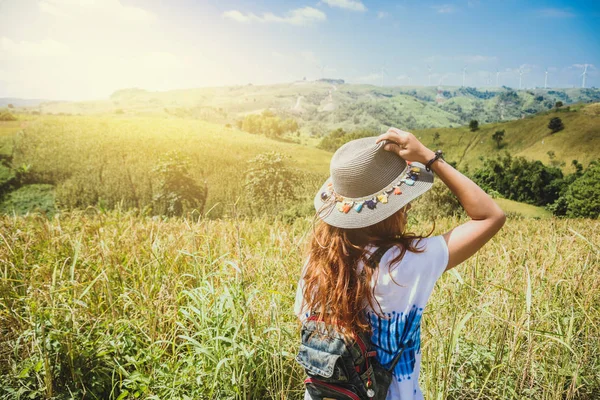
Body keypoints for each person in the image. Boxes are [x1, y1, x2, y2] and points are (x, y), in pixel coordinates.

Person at [294, 127, 506, 399]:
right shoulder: (409, 262)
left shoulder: (318, 261)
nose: (408, 208)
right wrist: (430, 157)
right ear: (390, 211)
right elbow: (491, 216)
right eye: (404, 203)